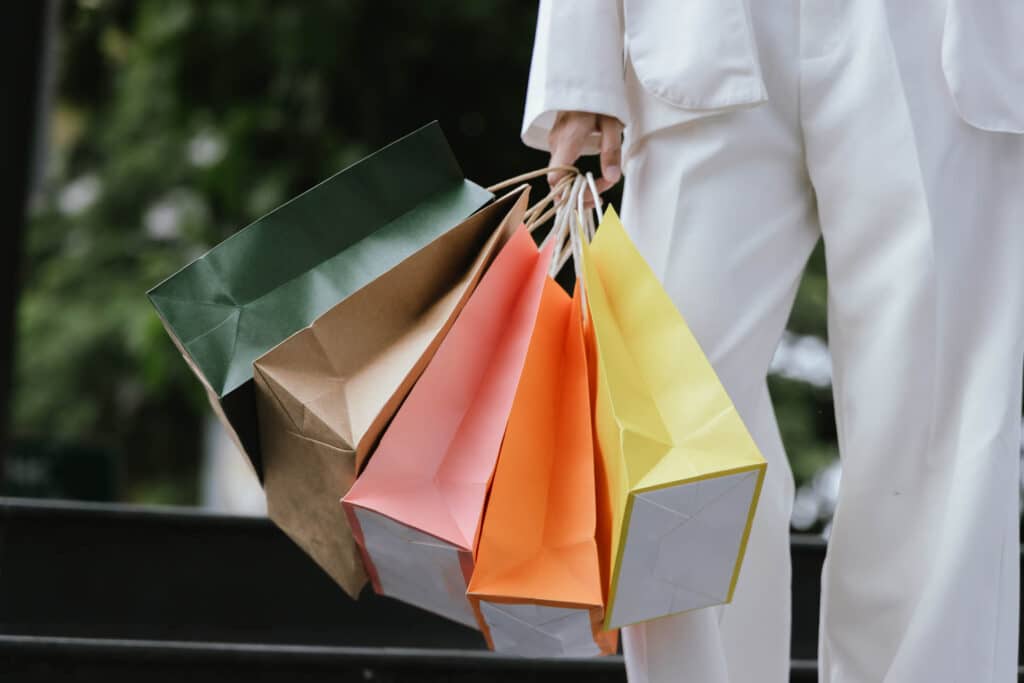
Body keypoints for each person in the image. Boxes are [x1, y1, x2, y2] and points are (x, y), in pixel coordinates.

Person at [522, 1, 1024, 682]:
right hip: (700, 25)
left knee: (937, 429)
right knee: (666, 417)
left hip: (937, 27)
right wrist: (578, 63)